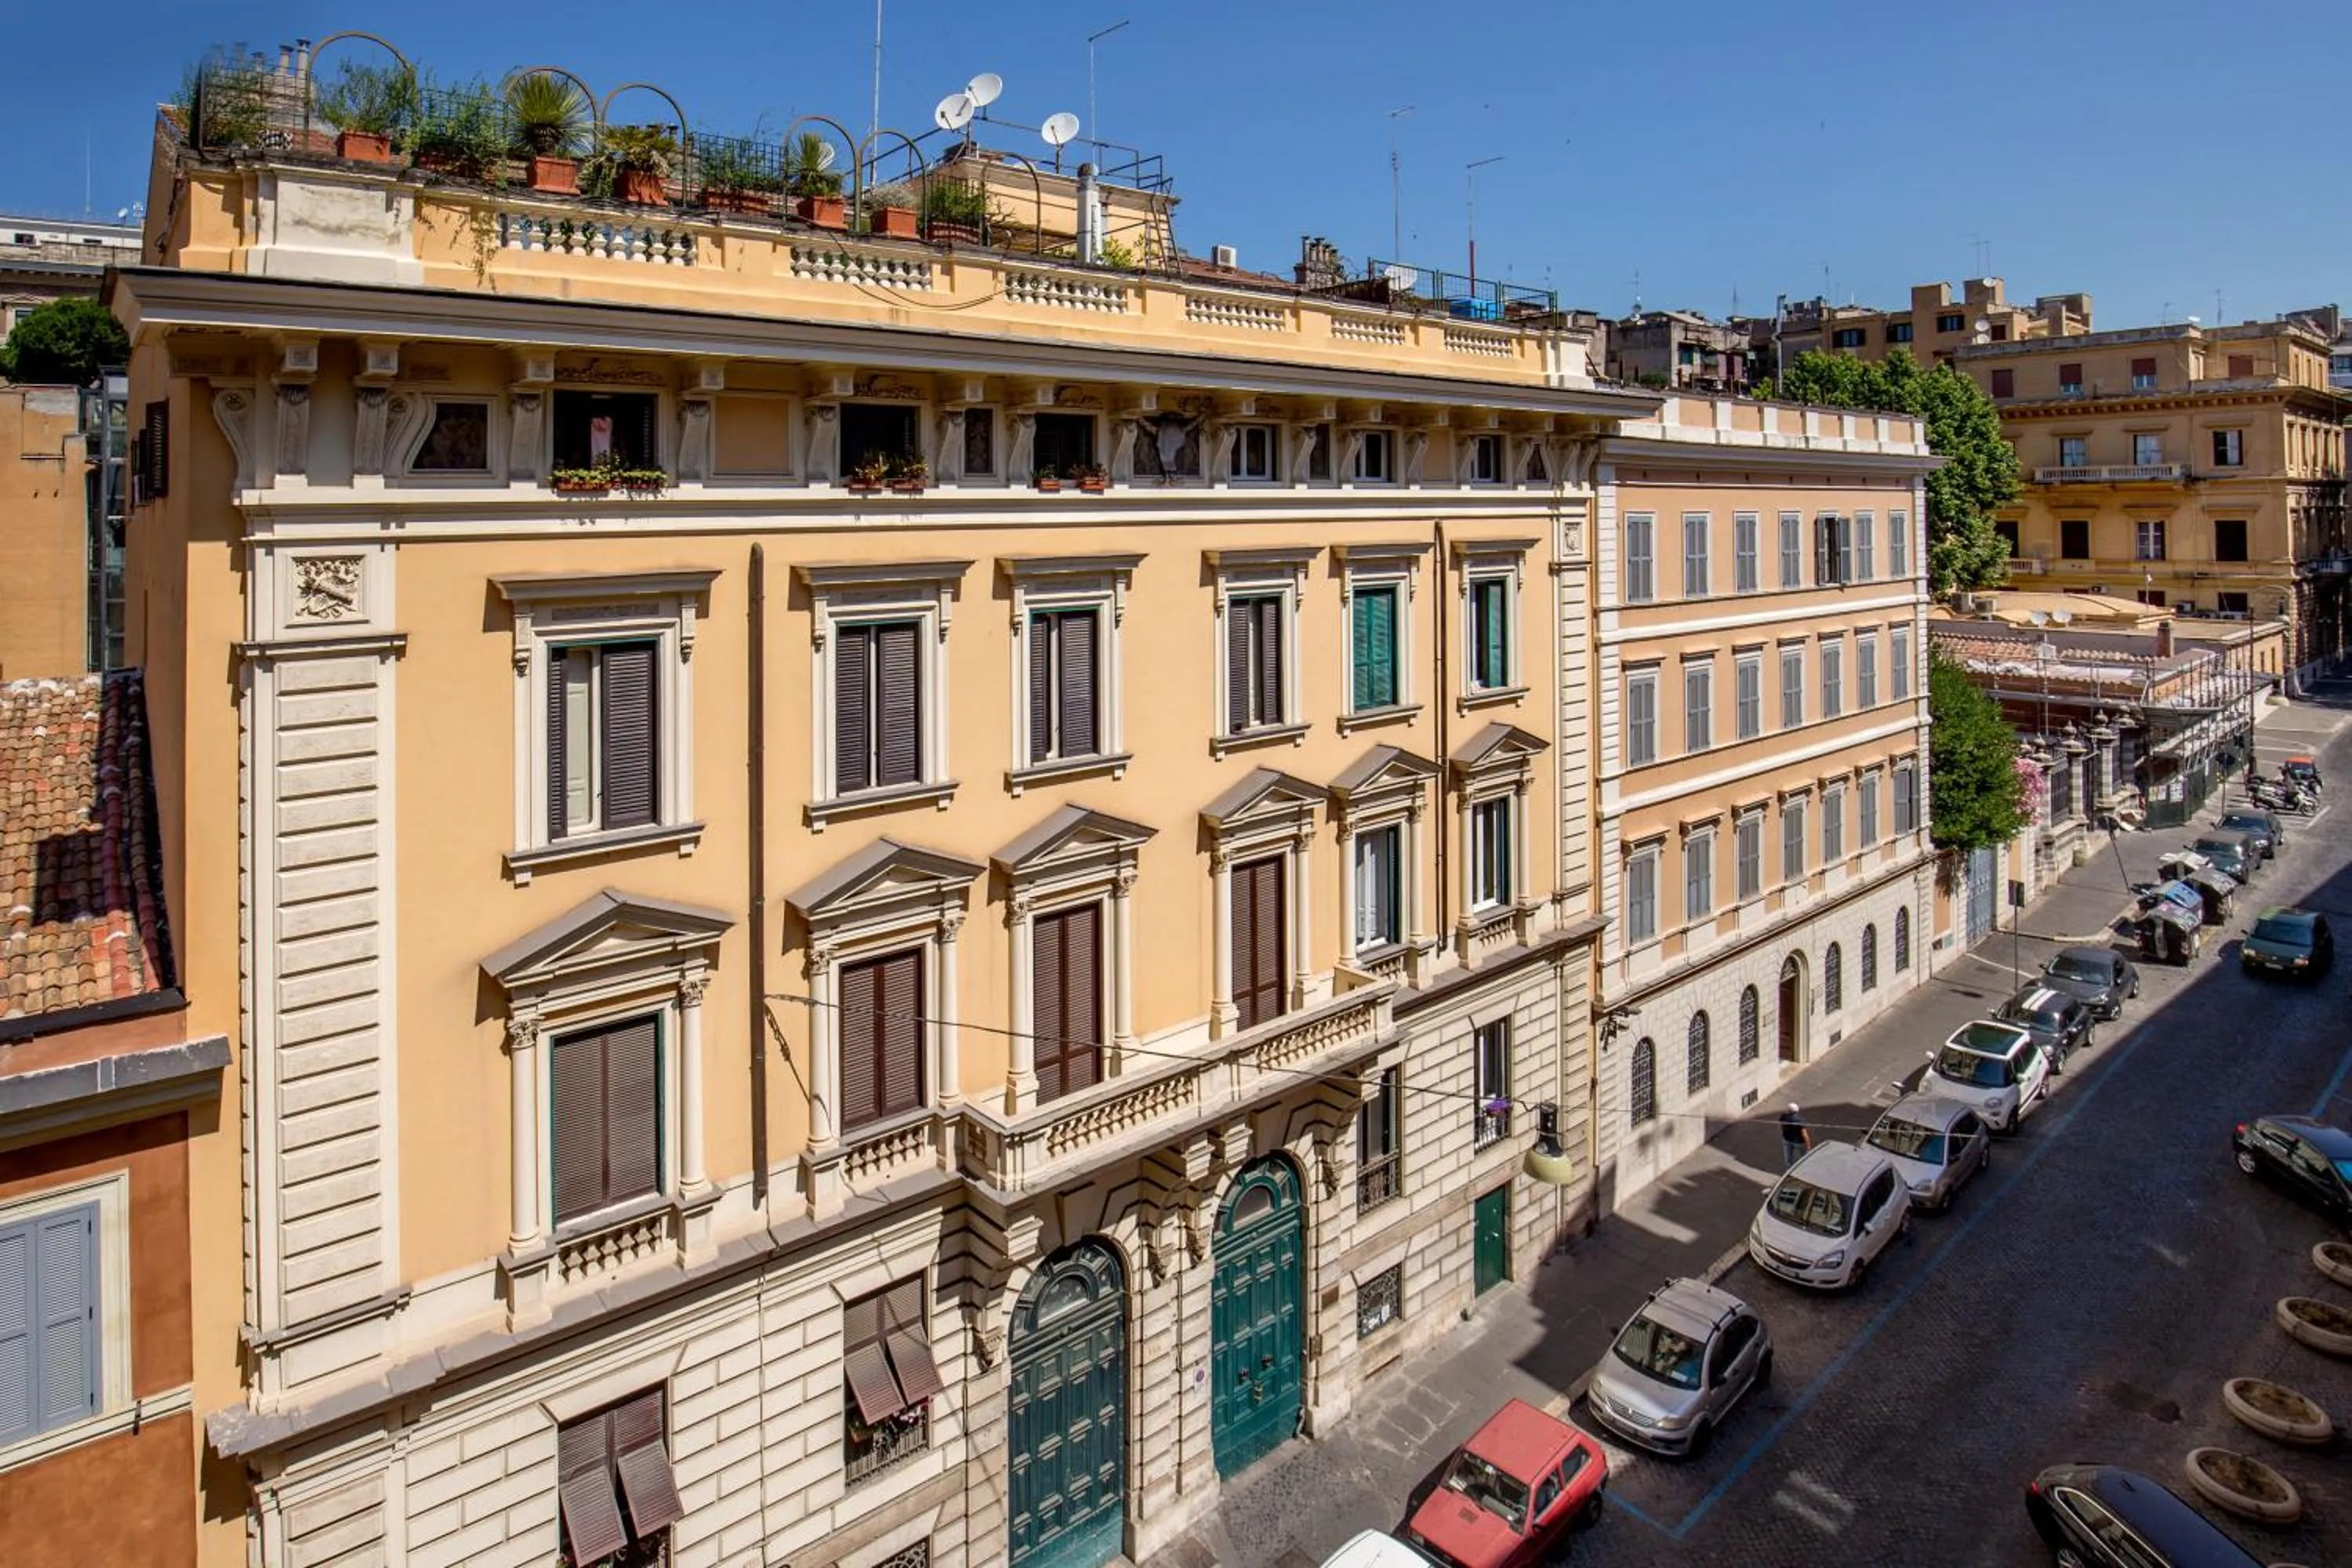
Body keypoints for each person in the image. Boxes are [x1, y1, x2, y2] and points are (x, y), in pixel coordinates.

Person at [1779, 1102, 1812, 1170]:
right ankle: (1801, 1170)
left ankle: (1789, 1171)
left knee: (1788, 1158)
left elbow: (1782, 1125)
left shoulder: (1784, 1116)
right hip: (1798, 1142)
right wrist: (1808, 1146)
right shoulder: (1799, 1120)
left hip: (1787, 1139)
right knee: (1801, 1157)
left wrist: (1783, 1133)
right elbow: (1804, 1135)